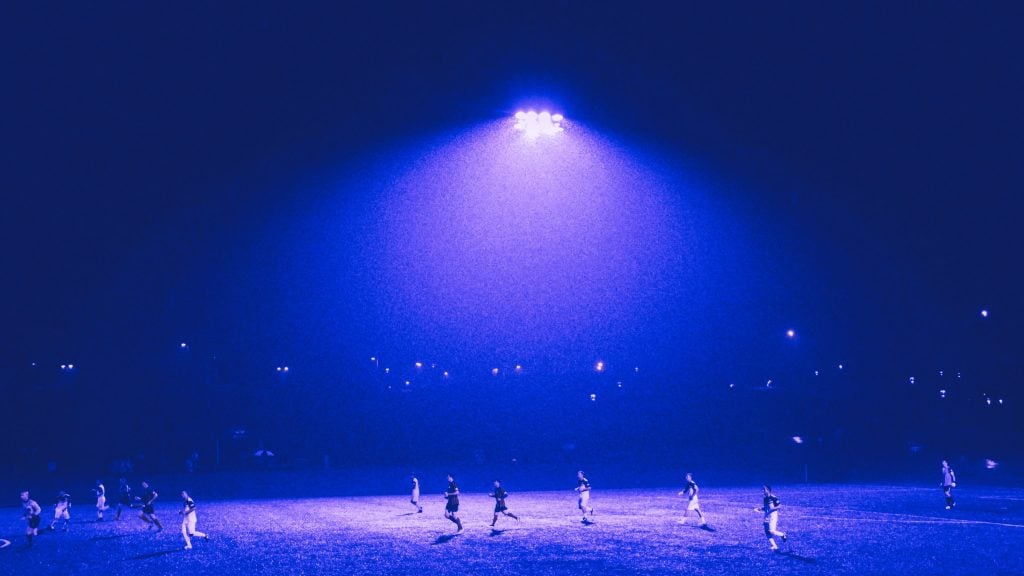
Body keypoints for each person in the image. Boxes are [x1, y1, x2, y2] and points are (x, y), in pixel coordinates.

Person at [755, 485, 787, 551]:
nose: (763, 491)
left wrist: (772, 509)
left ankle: (782, 534)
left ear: (768, 490)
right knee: (767, 532)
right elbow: (767, 508)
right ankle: (774, 546)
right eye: (762, 489)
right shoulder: (765, 499)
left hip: (773, 516)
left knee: (772, 531)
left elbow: (779, 506)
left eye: (764, 489)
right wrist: (760, 509)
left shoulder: (773, 498)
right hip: (766, 516)